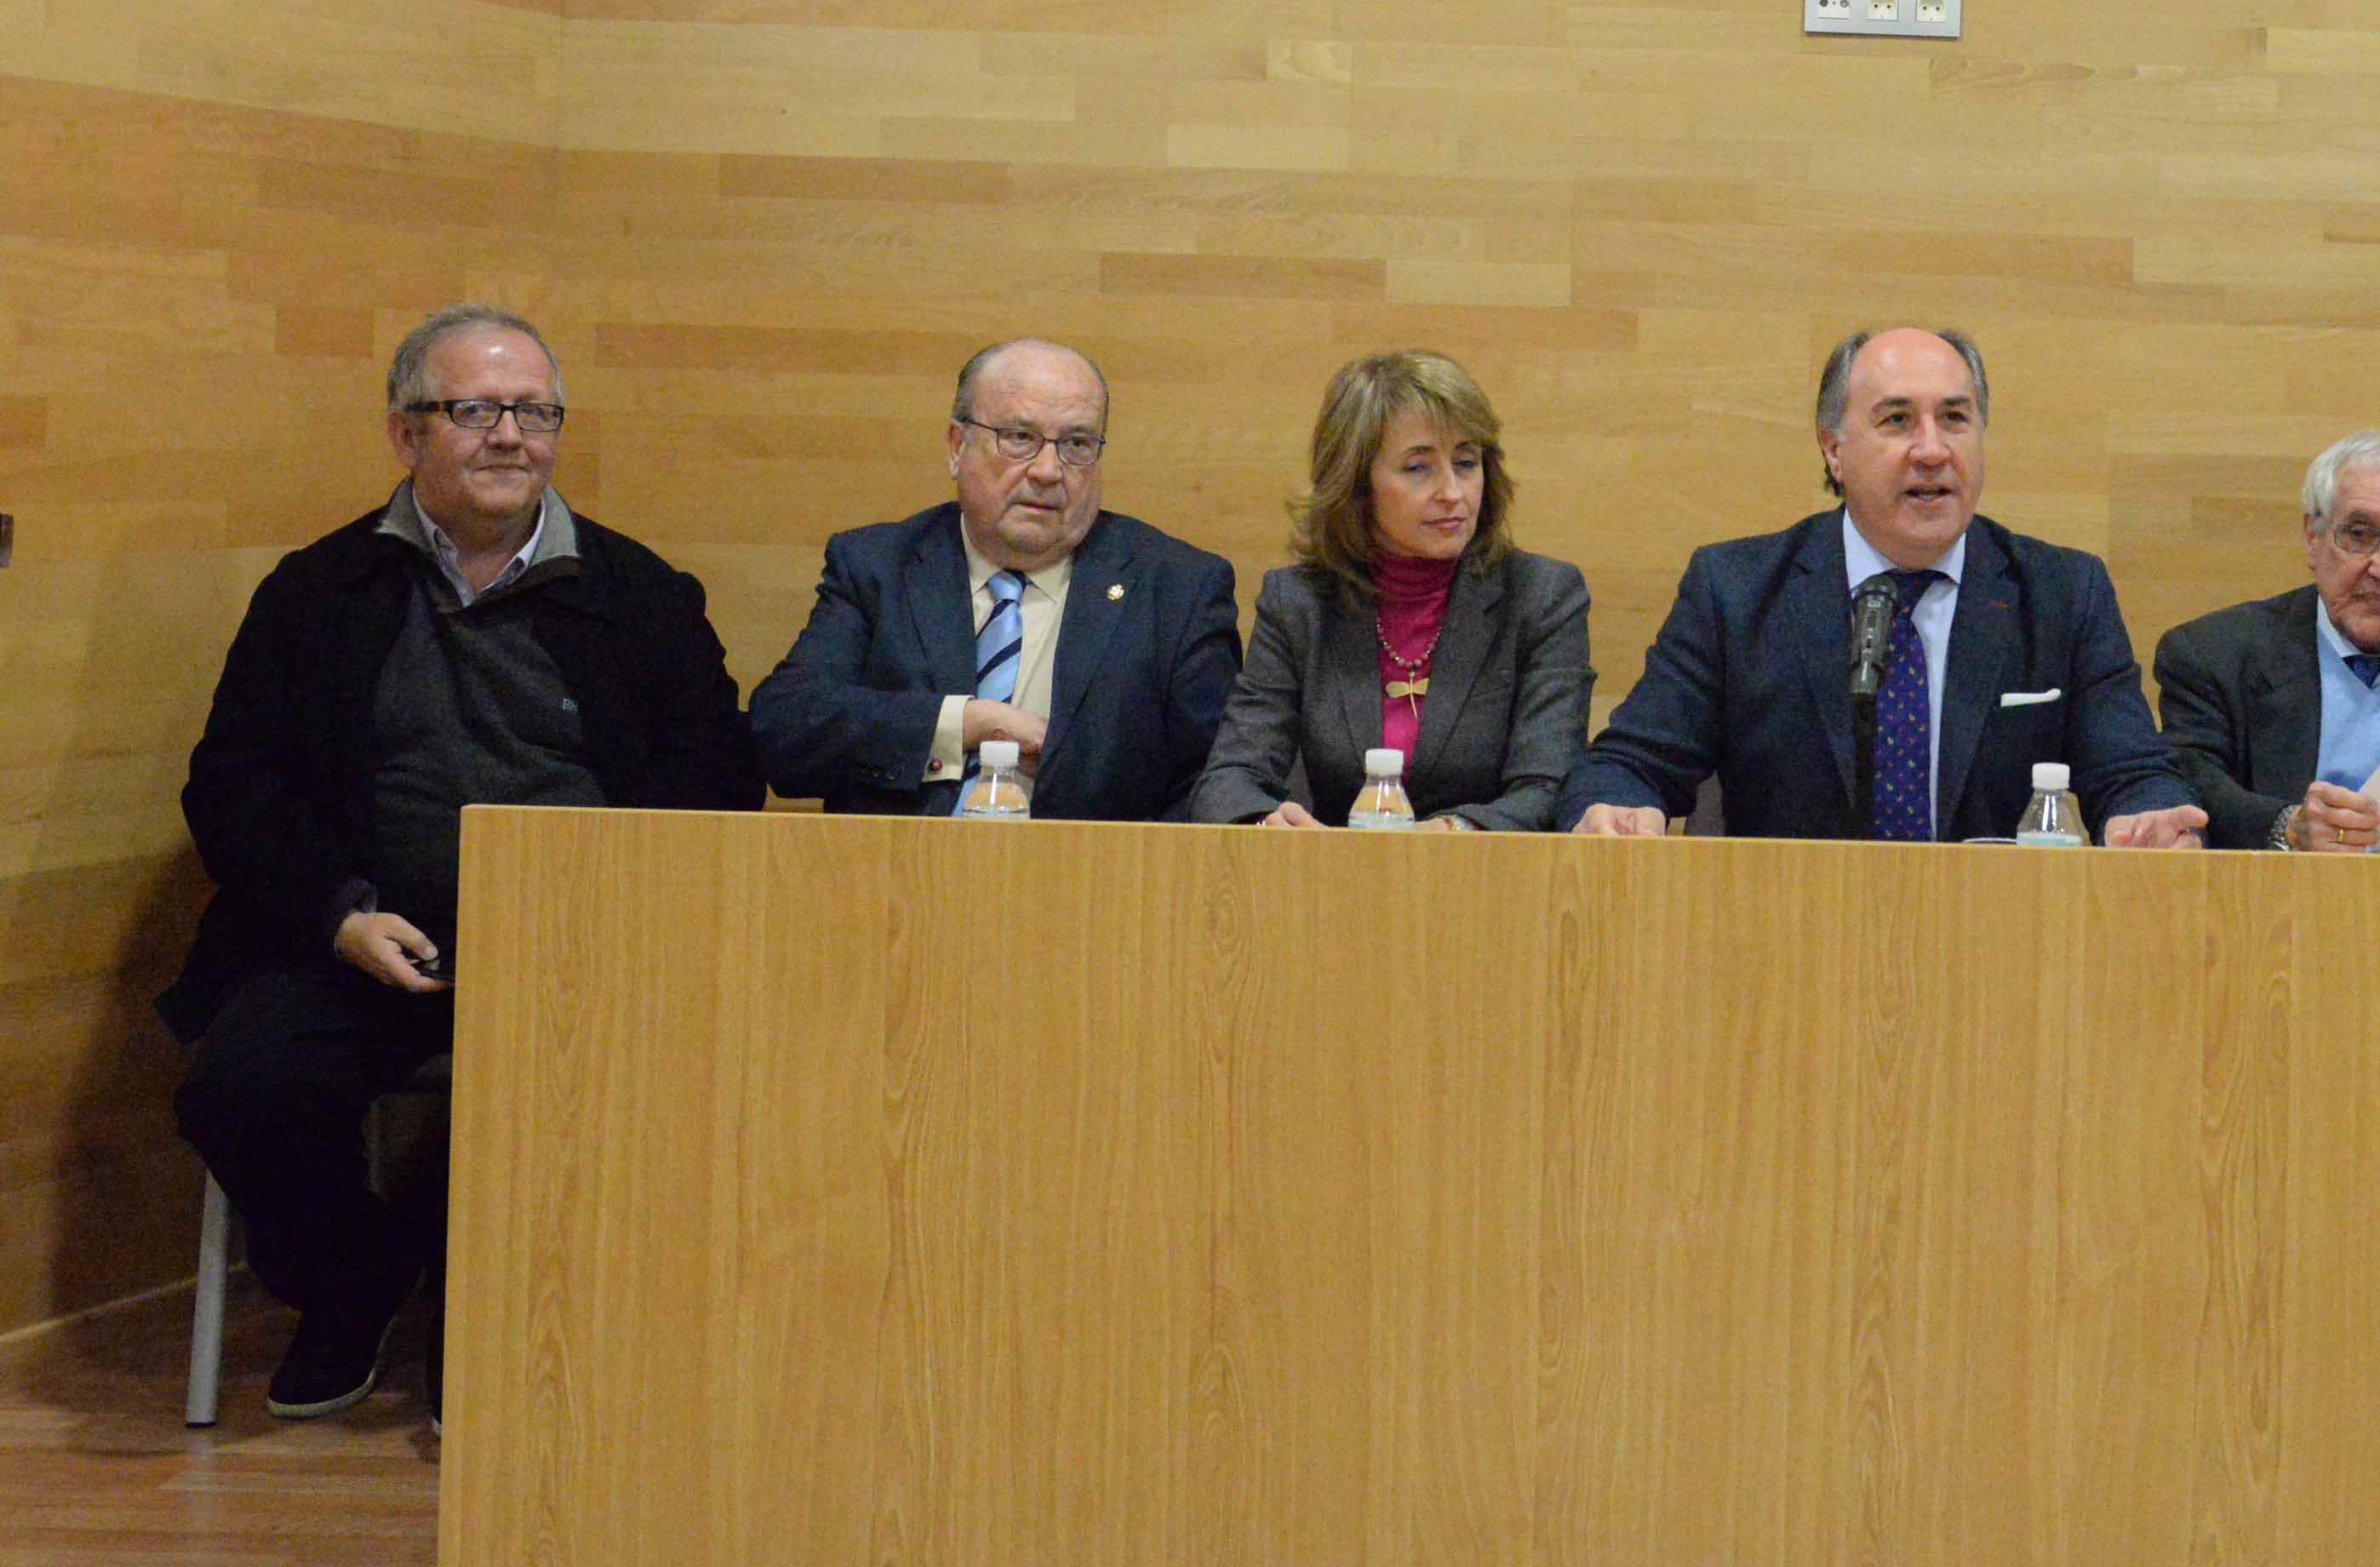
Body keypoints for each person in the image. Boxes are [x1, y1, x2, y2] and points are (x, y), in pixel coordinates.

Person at [165, 305, 763, 1418]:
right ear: (405, 434)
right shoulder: (317, 591)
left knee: (602, 1093)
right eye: (475, 410)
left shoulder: (641, 597)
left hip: (592, 955)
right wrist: (338, 913)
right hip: (364, 941)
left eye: (535, 413)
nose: (510, 438)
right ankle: (364, 1278)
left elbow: (719, 783)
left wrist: (611, 918)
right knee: (241, 1089)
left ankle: (484, 1319)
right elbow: (235, 785)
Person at [1557, 326, 2205, 845]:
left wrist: (2148, 818)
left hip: (2005, 952)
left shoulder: (2063, 592)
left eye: (1954, 418)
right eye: (1897, 421)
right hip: (1785, 949)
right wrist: (1618, 807)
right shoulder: (1738, 591)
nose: (1931, 449)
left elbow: (2132, 772)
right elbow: (1630, 762)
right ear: (1833, 450)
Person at [747, 339, 1238, 824]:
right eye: (1019, 437)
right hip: (893, 883)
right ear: (958, 447)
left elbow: (1217, 780)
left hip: (1092, 888)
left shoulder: (1176, 588)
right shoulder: (879, 566)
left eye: (1077, 444)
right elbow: (786, 728)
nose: (1048, 471)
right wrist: (967, 724)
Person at [1187, 351, 1592, 830]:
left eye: (1465, 462)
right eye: (1419, 468)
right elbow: (1230, 779)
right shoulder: (1299, 603)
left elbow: (1550, 789)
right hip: (1331, 886)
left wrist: (1452, 834)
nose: (1453, 492)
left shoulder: (1541, 596)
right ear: (1357, 484)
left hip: (1491, 886)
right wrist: (1268, 824)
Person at [2150, 432, 2380, 851]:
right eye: (2359, 535)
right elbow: (2189, 782)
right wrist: (2287, 826)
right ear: (2313, 538)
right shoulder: (2214, 654)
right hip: (2266, 904)